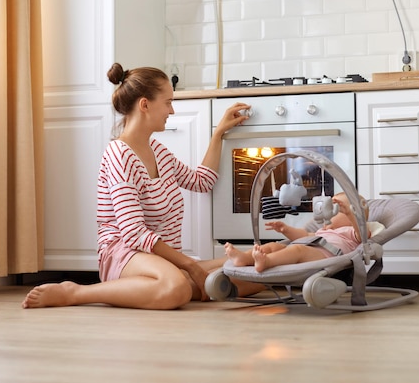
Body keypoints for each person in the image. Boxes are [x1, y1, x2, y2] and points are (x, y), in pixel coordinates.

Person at [22, 63, 263, 310]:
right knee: (177, 287)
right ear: (145, 104)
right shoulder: (119, 154)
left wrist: (218, 133)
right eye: (168, 102)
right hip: (125, 255)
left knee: (255, 273)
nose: (172, 109)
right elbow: (133, 233)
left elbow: (201, 181)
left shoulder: (158, 151)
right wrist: (189, 265)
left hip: (162, 261)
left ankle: (175, 283)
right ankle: (76, 292)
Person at [225, 192, 384, 273]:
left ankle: (266, 262)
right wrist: (286, 229)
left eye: (337, 210)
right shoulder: (323, 230)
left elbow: (364, 235)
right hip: (309, 248)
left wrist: (351, 214)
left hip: (327, 256)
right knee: (274, 245)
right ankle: (244, 258)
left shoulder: (351, 231)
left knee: (297, 250)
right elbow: (304, 236)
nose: (331, 213)